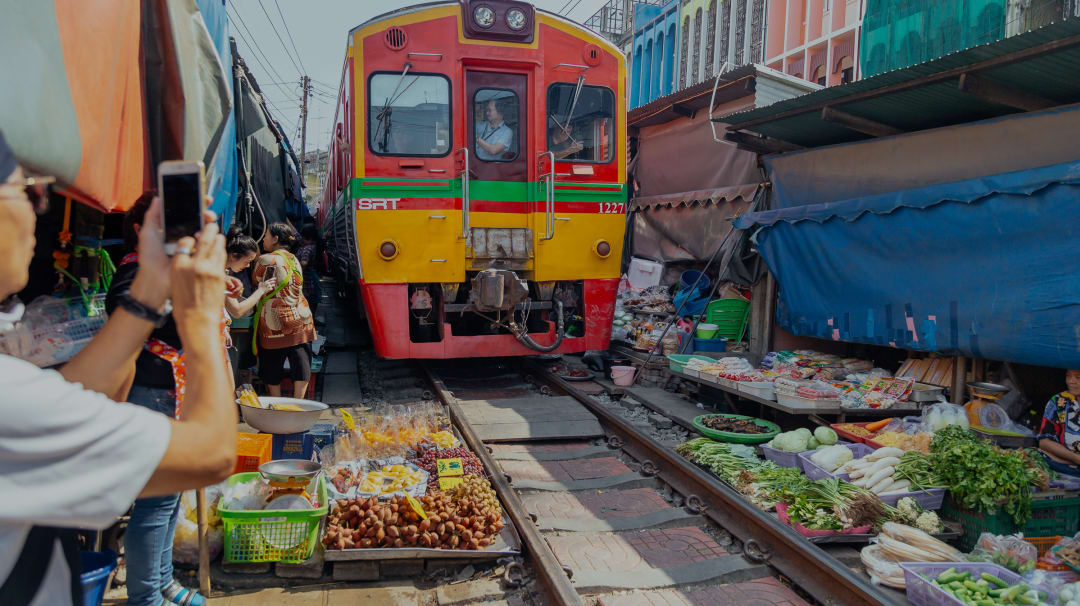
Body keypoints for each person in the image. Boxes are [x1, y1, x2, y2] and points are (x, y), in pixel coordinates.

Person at [0, 130, 236, 606]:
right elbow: (212, 453)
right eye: (29, 190)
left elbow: (74, 393)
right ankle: (149, 592)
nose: (40, 206)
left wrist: (151, 291)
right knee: (157, 502)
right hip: (157, 389)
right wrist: (202, 316)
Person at [252, 222, 316, 398]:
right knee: (301, 363)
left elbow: (256, 281)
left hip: (275, 323)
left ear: (275, 238)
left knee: (271, 364)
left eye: (266, 235)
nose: (263, 239)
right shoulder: (294, 258)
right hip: (301, 319)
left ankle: (276, 403)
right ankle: (299, 403)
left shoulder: (266, 260)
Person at [1038, 369, 1080, 477]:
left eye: (1078, 377)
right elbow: (1044, 441)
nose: (1071, 381)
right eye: (1068, 376)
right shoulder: (1059, 401)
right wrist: (1075, 458)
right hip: (1065, 467)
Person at [297, 225, 321, 318]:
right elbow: (297, 235)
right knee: (312, 297)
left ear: (306, 237)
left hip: (307, 276)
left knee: (308, 298)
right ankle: (311, 319)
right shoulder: (312, 244)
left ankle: (310, 320)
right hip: (311, 274)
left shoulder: (307, 248)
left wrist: (293, 263)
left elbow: (304, 263)